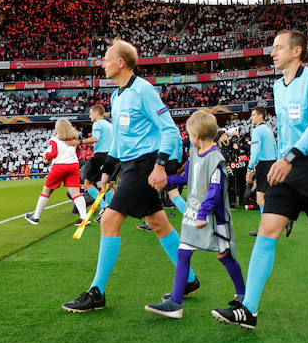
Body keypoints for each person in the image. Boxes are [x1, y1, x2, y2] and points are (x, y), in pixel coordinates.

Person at [212, 30, 308, 329]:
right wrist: (281, 159)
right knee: (266, 231)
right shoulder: (277, 85)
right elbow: (287, 130)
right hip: (286, 167)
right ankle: (249, 309)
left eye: (277, 47)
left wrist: (289, 157)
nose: (272, 53)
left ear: (297, 51)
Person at [62, 39, 198, 312]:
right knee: (158, 223)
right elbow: (121, 142)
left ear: (121, 62)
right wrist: (108, 170)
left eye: (107, 59)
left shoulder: (143, 91)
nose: (103, 63)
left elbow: (170, 129)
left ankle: (97, 292)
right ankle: (190, 279)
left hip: (146, 165)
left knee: (109, 220)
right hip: (131, 166)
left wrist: (160, 166)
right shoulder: (116, 96)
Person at [145, 111, 245, 319]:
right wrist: (167, 181)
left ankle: (244, 296)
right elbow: (188, 178)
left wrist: (203, 214)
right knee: (183, 253)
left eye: (190, 134)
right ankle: (175, 303)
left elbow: (215, 190)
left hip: (212, 218)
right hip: (193, 215)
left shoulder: (216, 158)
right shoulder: (194, 153)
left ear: (197, 136)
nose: (189, 137)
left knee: (224, 256)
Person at [25, 118, 89, 226]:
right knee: (76, 193)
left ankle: (35, 217)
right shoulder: (74, 139)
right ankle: (84, 217)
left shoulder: (54, 139)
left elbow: (53, 153)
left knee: (46, 191)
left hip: (59, 167)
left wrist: (45, 155)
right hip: (73, 166)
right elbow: (77, 154)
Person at [246, 106, 278, 237]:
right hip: (271, 164)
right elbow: (275, 149)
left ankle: (267, 228)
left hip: (264, 166)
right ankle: (268, 227)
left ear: (260, 116)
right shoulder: (268, 130)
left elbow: (255, 151)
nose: (251, 118)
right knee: (266, 198)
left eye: (253, 115)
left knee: (260, 199)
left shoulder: (258, 131)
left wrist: (250, 168)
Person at [79, 105, 114, 219]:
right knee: (108, 184)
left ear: (95, 113)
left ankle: (104, 206)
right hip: (111, 156)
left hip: (100, 156)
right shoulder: (110, 125)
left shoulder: (98, 124)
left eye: (90, 113)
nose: (89, 116)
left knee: (87, 183)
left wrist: (79, 142)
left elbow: (95, 138)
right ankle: (109, 209)